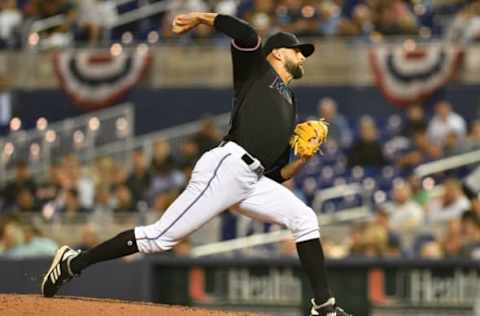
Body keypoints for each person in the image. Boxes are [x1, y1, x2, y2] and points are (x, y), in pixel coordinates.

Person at [41, 12, 350, 316]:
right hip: (227, 166)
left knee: (305, 218)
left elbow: (276, 174)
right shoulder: (257, 71)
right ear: (279, 52)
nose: (303, 57)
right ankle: (73, 263)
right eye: (298, 51)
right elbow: (246, 35)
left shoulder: (291, 103)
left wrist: (303, 161)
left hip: (253, 179)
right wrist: (202, 18)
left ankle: (324, 308)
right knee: (160, 239)